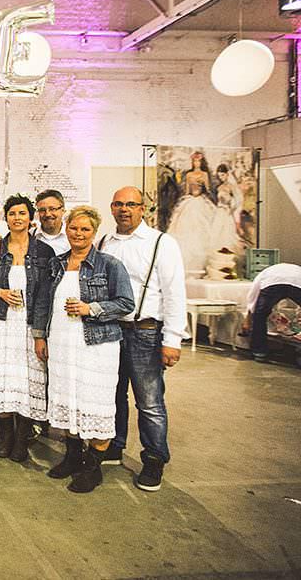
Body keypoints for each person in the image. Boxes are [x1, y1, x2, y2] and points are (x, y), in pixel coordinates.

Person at [98, 186, 186, 492]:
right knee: (113, 393)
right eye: (119, 204)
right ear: (111, 207)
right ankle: (114, 444)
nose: (125, 210)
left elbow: (175, 292)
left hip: (145, 332)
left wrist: (173, 338)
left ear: (143, 209)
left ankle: (154, 458)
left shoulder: (161, 243)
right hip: (111, 330)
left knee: (149, 400)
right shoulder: (106, 241)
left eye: (131, 204)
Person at [43, 206, 134, 494]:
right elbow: (45, 304)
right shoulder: (56, 264)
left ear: (94, 233)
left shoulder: (110, 265)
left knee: (96, 402)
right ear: (66, 229)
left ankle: (93, 466)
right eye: (73, 228)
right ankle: (72, 456)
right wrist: (40, 336)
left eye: (85, 229)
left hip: (96, 347)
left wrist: (90, 308)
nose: (78, 234)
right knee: (69, 398)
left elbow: (126, 304)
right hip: (62, 343)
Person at [0, 195, 54, 463]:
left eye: (22, 213)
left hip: (29, 326)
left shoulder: (44, 252)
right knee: (2, 380)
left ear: (30, 217)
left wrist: (41, 334)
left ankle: (22, 438)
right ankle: (6, 435)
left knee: (27, 381)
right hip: (2, 324)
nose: (17, 218)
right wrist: (0, 292)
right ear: (6, 217)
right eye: (12, 213)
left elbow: (47, 295)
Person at [242, 263, 301, 364]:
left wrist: (248, 318)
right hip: (299, 283)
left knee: (260, 315)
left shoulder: (264, 273)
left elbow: (253, 297)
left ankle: (259, 352)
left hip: (273, 284)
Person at [34, 189, 70, 256]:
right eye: (42, 210)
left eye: (52, 209)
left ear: (63, 210)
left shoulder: (73, 236)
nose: (47, 214)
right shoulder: (30, 236)